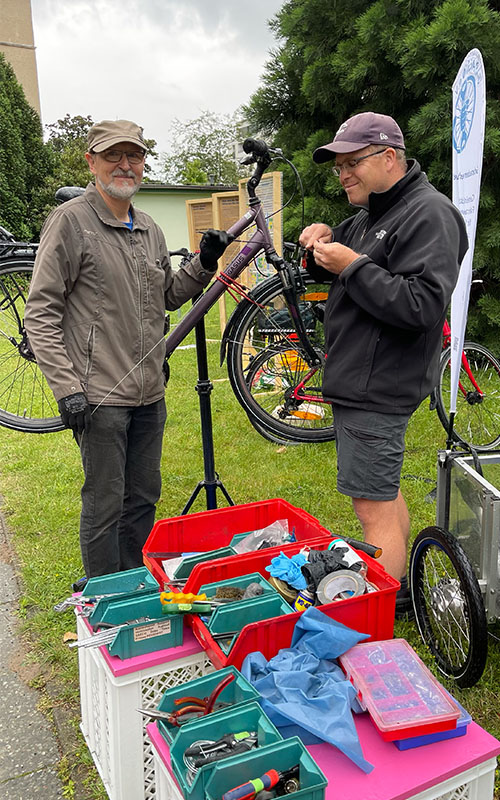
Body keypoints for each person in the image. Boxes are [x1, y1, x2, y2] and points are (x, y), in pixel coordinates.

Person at [24, 119, 229, 579]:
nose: (124, 165)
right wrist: (66, 388)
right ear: (91, 162)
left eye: (133, 156)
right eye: (113, 155)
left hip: (148, 393)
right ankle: (103, 595)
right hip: (97, 396)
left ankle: (132, 581)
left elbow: (167, 296)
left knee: (142, 497)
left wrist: (204, 263)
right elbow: (40, 311)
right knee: (105, 501)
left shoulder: (150, 229)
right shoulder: (71, 222)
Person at [299, 112, 468, 612]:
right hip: (364, 381)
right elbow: (330, 260)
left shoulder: (429, 214)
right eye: (338, 168)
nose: (344, 174)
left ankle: (378, 614)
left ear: (389, 157)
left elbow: (420, 306)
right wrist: (320, 240)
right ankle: (401, 593)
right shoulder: (375, 213)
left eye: (352, 162)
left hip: (379, 386)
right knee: (383, 494)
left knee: (371, 506)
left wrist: (352, 265)